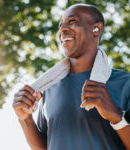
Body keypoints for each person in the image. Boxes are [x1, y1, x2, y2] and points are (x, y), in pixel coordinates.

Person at [13, 4, 130, 150]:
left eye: (72, 22)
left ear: (96, 29)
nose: (62, 29)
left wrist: (116, 117)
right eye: (60, 25)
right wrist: (25, 119)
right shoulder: (48, 88)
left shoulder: (126, 84)